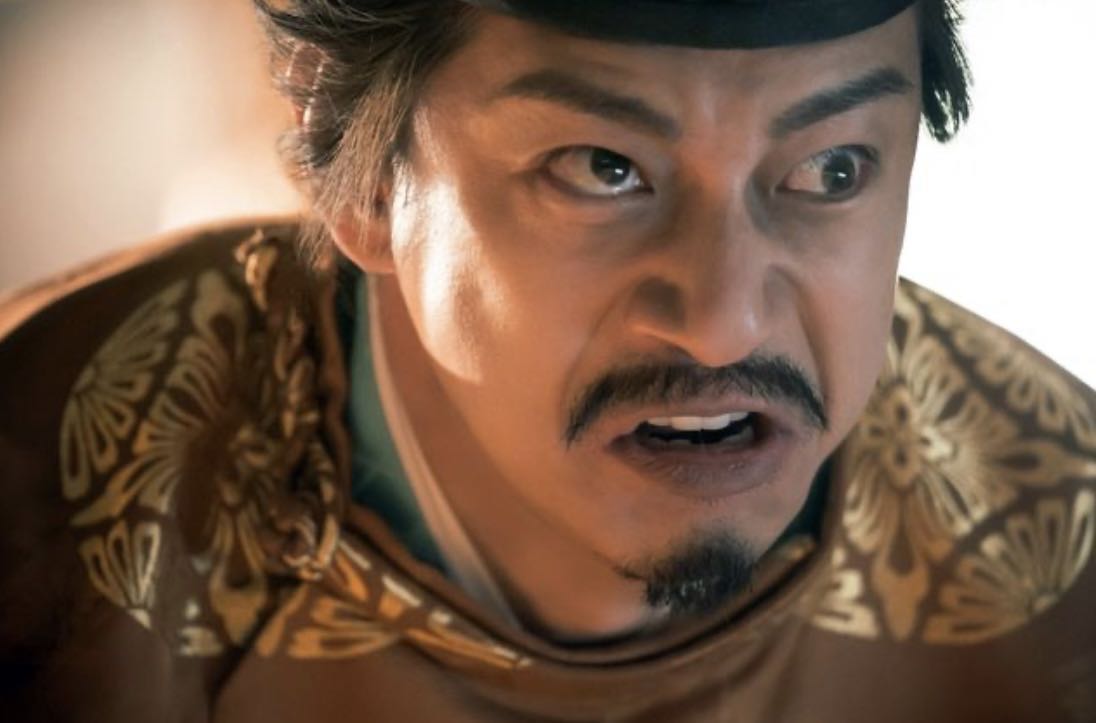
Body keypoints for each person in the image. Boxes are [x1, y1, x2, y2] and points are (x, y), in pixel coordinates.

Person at [0, 0, 1093, 720]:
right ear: (364, 176)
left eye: (833, 169)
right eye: (603, 168)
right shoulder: (39, 503)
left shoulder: (1055, 555)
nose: (722, 324)